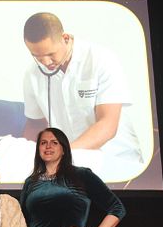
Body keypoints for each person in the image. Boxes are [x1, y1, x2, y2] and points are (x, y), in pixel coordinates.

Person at [22, 12, 143, 181]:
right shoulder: (32, 75)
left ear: (64, 38)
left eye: (51, 54)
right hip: (71, 167)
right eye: (37, 57)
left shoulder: (101, 60)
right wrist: (29, 157)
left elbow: (107, 124)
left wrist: (64, 157)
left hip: (115, 160)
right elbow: (35, 124)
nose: (46, 62)